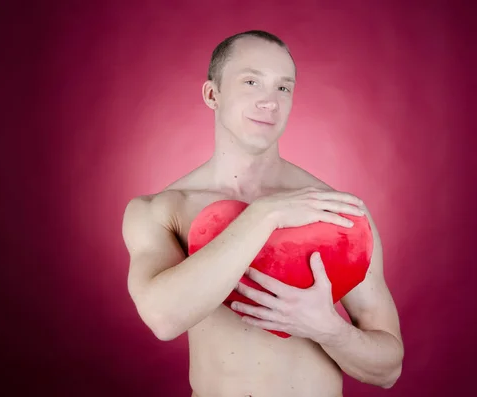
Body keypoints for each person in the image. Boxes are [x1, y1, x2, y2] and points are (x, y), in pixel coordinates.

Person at [122, 30, 404, 397]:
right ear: (213, 94)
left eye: (283, 88)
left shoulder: (335, 211)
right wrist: (264, 215)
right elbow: (164, 318)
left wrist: (327, 329)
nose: (270, 102)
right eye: (252, 82)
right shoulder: (162, 209)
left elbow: (388, 370)